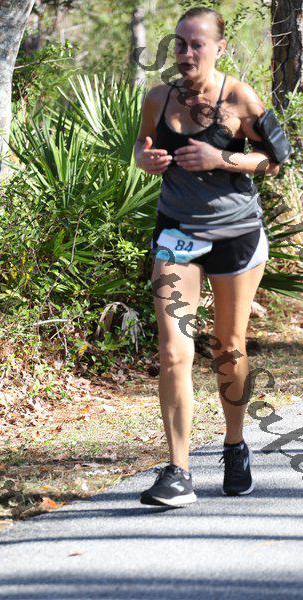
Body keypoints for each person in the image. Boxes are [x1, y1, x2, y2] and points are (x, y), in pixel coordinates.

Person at [133, 6, 284, 507]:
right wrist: (147, 160)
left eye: (197, 44)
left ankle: (235, 445)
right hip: (177, 233)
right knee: (173, 350)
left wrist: (221, 157)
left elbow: (277, 160)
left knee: (228, 347)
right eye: (180, 43)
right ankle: (178, 471)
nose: (186, 53)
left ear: (219, 48)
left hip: (237, 236)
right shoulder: (158, 98)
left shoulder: (240, 97)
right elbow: (140, 148)